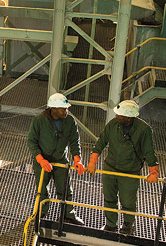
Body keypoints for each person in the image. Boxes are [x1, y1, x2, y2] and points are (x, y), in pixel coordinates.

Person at [86, 100, 159, 235]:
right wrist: (92, 161)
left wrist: (154, 172)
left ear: (129, 117)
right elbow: (101, 141)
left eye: (120, 115)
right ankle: (111, 225)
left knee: (127, 200)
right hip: (110, 168)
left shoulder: (144, 130)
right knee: (109, 197)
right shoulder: (113, 125)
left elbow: (149, 151)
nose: (116, 117)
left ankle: (128, 225)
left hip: (130, 171)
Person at [28, 93, 85, 225]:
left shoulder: (70, 121)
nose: (66, 111)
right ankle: (40, 213)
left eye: (66, 108)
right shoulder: (39, 120)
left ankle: (68, 215)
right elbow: (32, 141)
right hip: (42, 161)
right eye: (63, 109)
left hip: (60, 159)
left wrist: (77, 160)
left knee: (65, 188)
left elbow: (74, 141)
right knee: (41, 189)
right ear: (53, 109)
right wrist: (41, 160)